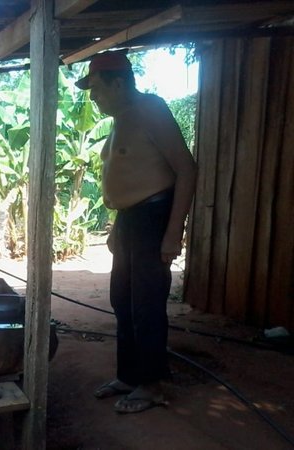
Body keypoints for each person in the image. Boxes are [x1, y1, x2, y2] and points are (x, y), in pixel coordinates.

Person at [75, 50, 197, 414]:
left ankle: (153, 384)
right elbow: (130, 176)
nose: (92, 96)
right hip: (130, 220)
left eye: (96, 88)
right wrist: (117, 225)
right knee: (122, 300)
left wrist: (174, 232)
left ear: (118, 82)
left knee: (146, 304)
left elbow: (186, 169)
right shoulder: (121, 118)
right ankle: (129, 375)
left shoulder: (151, 110)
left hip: (153, 217)